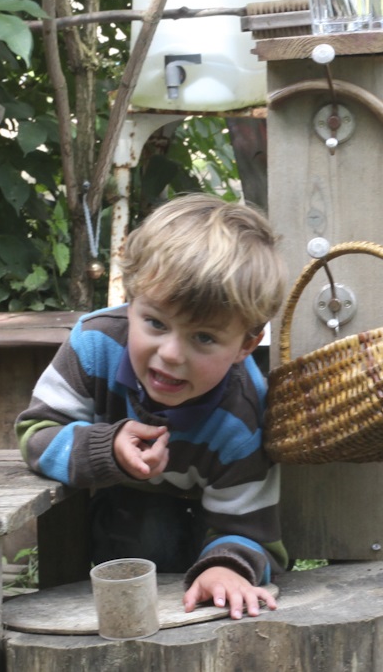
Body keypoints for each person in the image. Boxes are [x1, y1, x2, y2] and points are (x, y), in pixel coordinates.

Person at [15, 193, 288, 620]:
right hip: (118, 511)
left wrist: (227, 567)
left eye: (204, 338)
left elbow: (249, 528)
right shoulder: (94, 345)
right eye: (156, 323)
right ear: (131, 299)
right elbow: (36, 433)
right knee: (147, 527)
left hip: (206, 521)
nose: (171, 353)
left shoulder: (242, 416)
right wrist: (106, 449)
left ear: (246, 345)